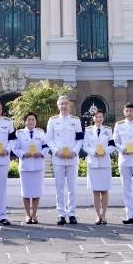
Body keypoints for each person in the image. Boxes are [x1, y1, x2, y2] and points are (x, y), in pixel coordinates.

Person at [46, 94, 83, 225]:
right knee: (59, 187)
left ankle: (72, 213)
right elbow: (49, 139)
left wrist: (74, 151)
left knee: (72, 187)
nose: (64, 106)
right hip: (59, 158)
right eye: (61, 104)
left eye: (66, 103)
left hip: (72, 158)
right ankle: (61, 214)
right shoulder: (52, 120)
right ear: (58, 106)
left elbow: (79, 139)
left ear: (69, 105)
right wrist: (57, 152)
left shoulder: (75, 120)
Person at [13, 112, 48, 224]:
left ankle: (34, 214)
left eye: (33, 119)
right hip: (25, 166)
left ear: (36, 122)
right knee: (26, 192)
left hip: (38, 165)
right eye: (29, 119)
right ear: (25, 122)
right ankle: (28, 215)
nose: (31, 121)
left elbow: (46, 146)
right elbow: (15, 148)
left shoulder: (41, 133)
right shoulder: (19, 134)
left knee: (37, 192)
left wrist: (41, 153)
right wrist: (23, 154)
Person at [81, 107, 114, 225]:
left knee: (104, 190)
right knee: (95, 191)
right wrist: (93, 152)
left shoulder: (108, 130)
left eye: (100, 117)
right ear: (93, 118)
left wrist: (105, 151)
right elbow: (85, 146)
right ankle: (97, 215)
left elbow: (112, 145)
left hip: (104, 162)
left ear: (103, 118)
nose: (99, 119)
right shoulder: (88, 130)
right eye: (96, 117)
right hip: (93, 162)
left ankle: (103, 215)